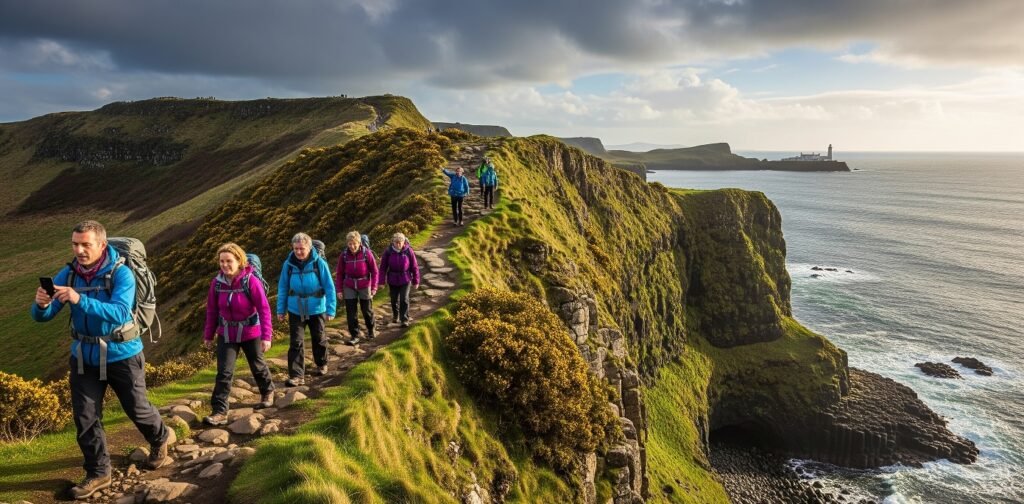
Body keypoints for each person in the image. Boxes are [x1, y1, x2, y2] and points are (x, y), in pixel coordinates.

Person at [30, 220, 170, 499]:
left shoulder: (122, 274)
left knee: (137, 408)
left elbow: (120, 313)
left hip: (123, 353)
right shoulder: (69, 274)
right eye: (75, 244)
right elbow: (42, 317)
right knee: (85, 417)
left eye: (86, 244)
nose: (79, 250)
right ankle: (98, 472)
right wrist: (42, 304)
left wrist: (79, 300)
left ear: (101, 245)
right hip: (83, 356)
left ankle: (160, 437)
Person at [201, 243, 275, 426]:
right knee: (224, 372)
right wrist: (208, 335)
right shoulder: (217, 283)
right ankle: (219, 411)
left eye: (229, 261)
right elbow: (212, 310)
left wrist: (267, 336)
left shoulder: (250, 281)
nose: (225, 265)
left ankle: (267, 392)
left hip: (251, 331)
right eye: (222, 261)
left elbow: (264, 309)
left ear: (239, 261)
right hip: (227, 332)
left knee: (257, 365)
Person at [276, 233, 336, 386]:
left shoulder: (319, 263)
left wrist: (331, 309)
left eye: (302, 249)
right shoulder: (288, 265)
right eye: (296, 249)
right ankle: (296, 375)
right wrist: (280, 310)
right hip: (295, 308)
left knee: (319, 337)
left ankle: (322, 363)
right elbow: (283, 287)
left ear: (309, 248)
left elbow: (329, 287)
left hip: (317, 308)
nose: (298, 252)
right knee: (296, 342)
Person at [336, 231, 378, 345]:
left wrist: (374, 287)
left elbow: (374, 271)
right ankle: (355, 335)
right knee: (351, 312)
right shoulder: (344, 255)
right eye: (349, 244)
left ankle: (371, 329)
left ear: (359, 243)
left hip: (364, 284)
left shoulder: (367, 254)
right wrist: (339, 289)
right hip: (349, 285)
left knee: (367, 310)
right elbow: (339, 273)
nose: (352, 246)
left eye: (354, 243)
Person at [377, 232, 421, 327]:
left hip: (405, 278)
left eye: (400, 242)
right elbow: (383, 268)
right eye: (396, 242)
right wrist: (381, 281)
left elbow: (414, 266)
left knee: (404, 299)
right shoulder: (388, 252)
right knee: (393, 299)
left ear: (404, 242)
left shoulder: (409, 251)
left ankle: (404, 319)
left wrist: (416, 281)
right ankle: (395, 315)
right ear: (393, 242)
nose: (398, 244)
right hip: (392, 279)